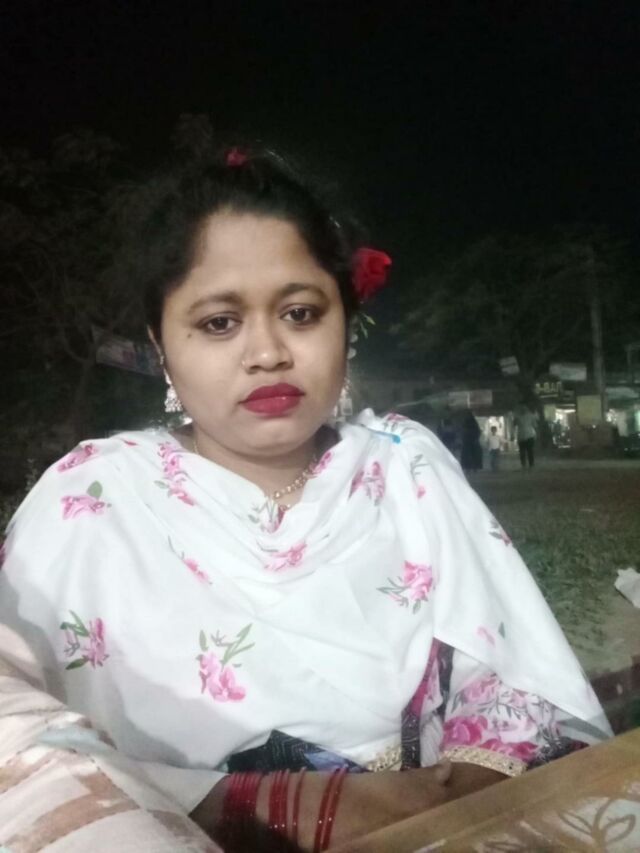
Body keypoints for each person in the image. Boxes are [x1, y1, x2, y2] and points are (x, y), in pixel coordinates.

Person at [0, 150, 610, 852]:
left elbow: (508, 676)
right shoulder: (93, 498)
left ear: (345, 321)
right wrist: (279, 806)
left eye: (300, 313)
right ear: (159, 346)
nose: (268, 352)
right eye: (219, 322)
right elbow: (20, 731)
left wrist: (460, 800)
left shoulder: (403, 466)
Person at [514, 403, 538, 470]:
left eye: (524, 409)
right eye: (522, 409)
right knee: (524, 451)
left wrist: (535, 434)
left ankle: (530, 464)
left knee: (529, 451)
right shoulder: (518, 417)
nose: (523, 410)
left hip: (528, 436)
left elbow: (535, 425)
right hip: (522, 436)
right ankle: (524, 464)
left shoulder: (530, 416)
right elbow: (514, 425)